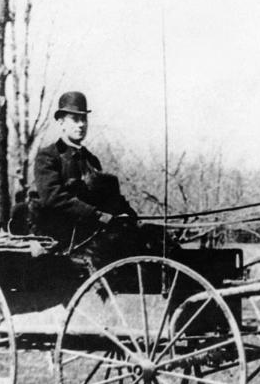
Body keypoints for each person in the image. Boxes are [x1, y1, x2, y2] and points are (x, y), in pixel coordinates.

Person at [30, 91, 166, 266]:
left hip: (91, 231)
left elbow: (107, 197)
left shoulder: (91, 159)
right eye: (75, 119)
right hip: (62, 234)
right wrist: (97, 215)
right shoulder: (48, 156)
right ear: (61, 121)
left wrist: (129, 216)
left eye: (84, 119)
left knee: (152, 235)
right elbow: (53, 198)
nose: (81, 125)